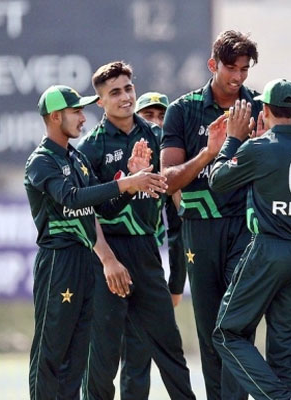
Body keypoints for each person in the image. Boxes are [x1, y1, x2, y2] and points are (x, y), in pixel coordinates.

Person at [25, 84, 167, 399]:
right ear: (55, 116)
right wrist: (125, 184)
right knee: (52, 351)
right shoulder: (42, 161)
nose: (82, 117)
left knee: (77, 355)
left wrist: (128, 184)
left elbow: (101, 209)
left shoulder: (77, 159)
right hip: (59, 260)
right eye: (75, 111)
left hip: (86, 260)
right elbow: (71, 199)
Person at [78, 61, 194, 400]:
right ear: (101, 102)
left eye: (128, 88)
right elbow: (88, 211)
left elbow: (177, 201)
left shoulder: (157, 137)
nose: (125, 97)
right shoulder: (91, 148)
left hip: (146, 253)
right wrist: (108, 260)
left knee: (170, 349)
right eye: (114, 92)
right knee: (103, 358)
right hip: (108, 256)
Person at [209, 79, 291, 400]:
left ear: (265, 110)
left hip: (267, 249)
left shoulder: (258, 148)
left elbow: (217, 180)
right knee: (286, 349)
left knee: (227, 333)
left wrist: (232, 140)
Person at [160, 30, 260, 399]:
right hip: (200, 229)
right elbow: (168, 181)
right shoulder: (182, 111)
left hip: (247, 228)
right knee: (210, 330)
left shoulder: (259, 108)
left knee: (238, 325)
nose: (237, 78)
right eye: (230, 68)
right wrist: (207, 153)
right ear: (212, 65)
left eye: (244, 70)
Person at [118, 91, 188, 399]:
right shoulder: (122, 156)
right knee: (120, 352)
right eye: (149, 116)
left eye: (162, 117)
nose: (157, 124)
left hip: (148, 262)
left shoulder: (168, 167)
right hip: (115, 260)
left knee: (165, 346)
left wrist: (175, 285)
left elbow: (177, 227)